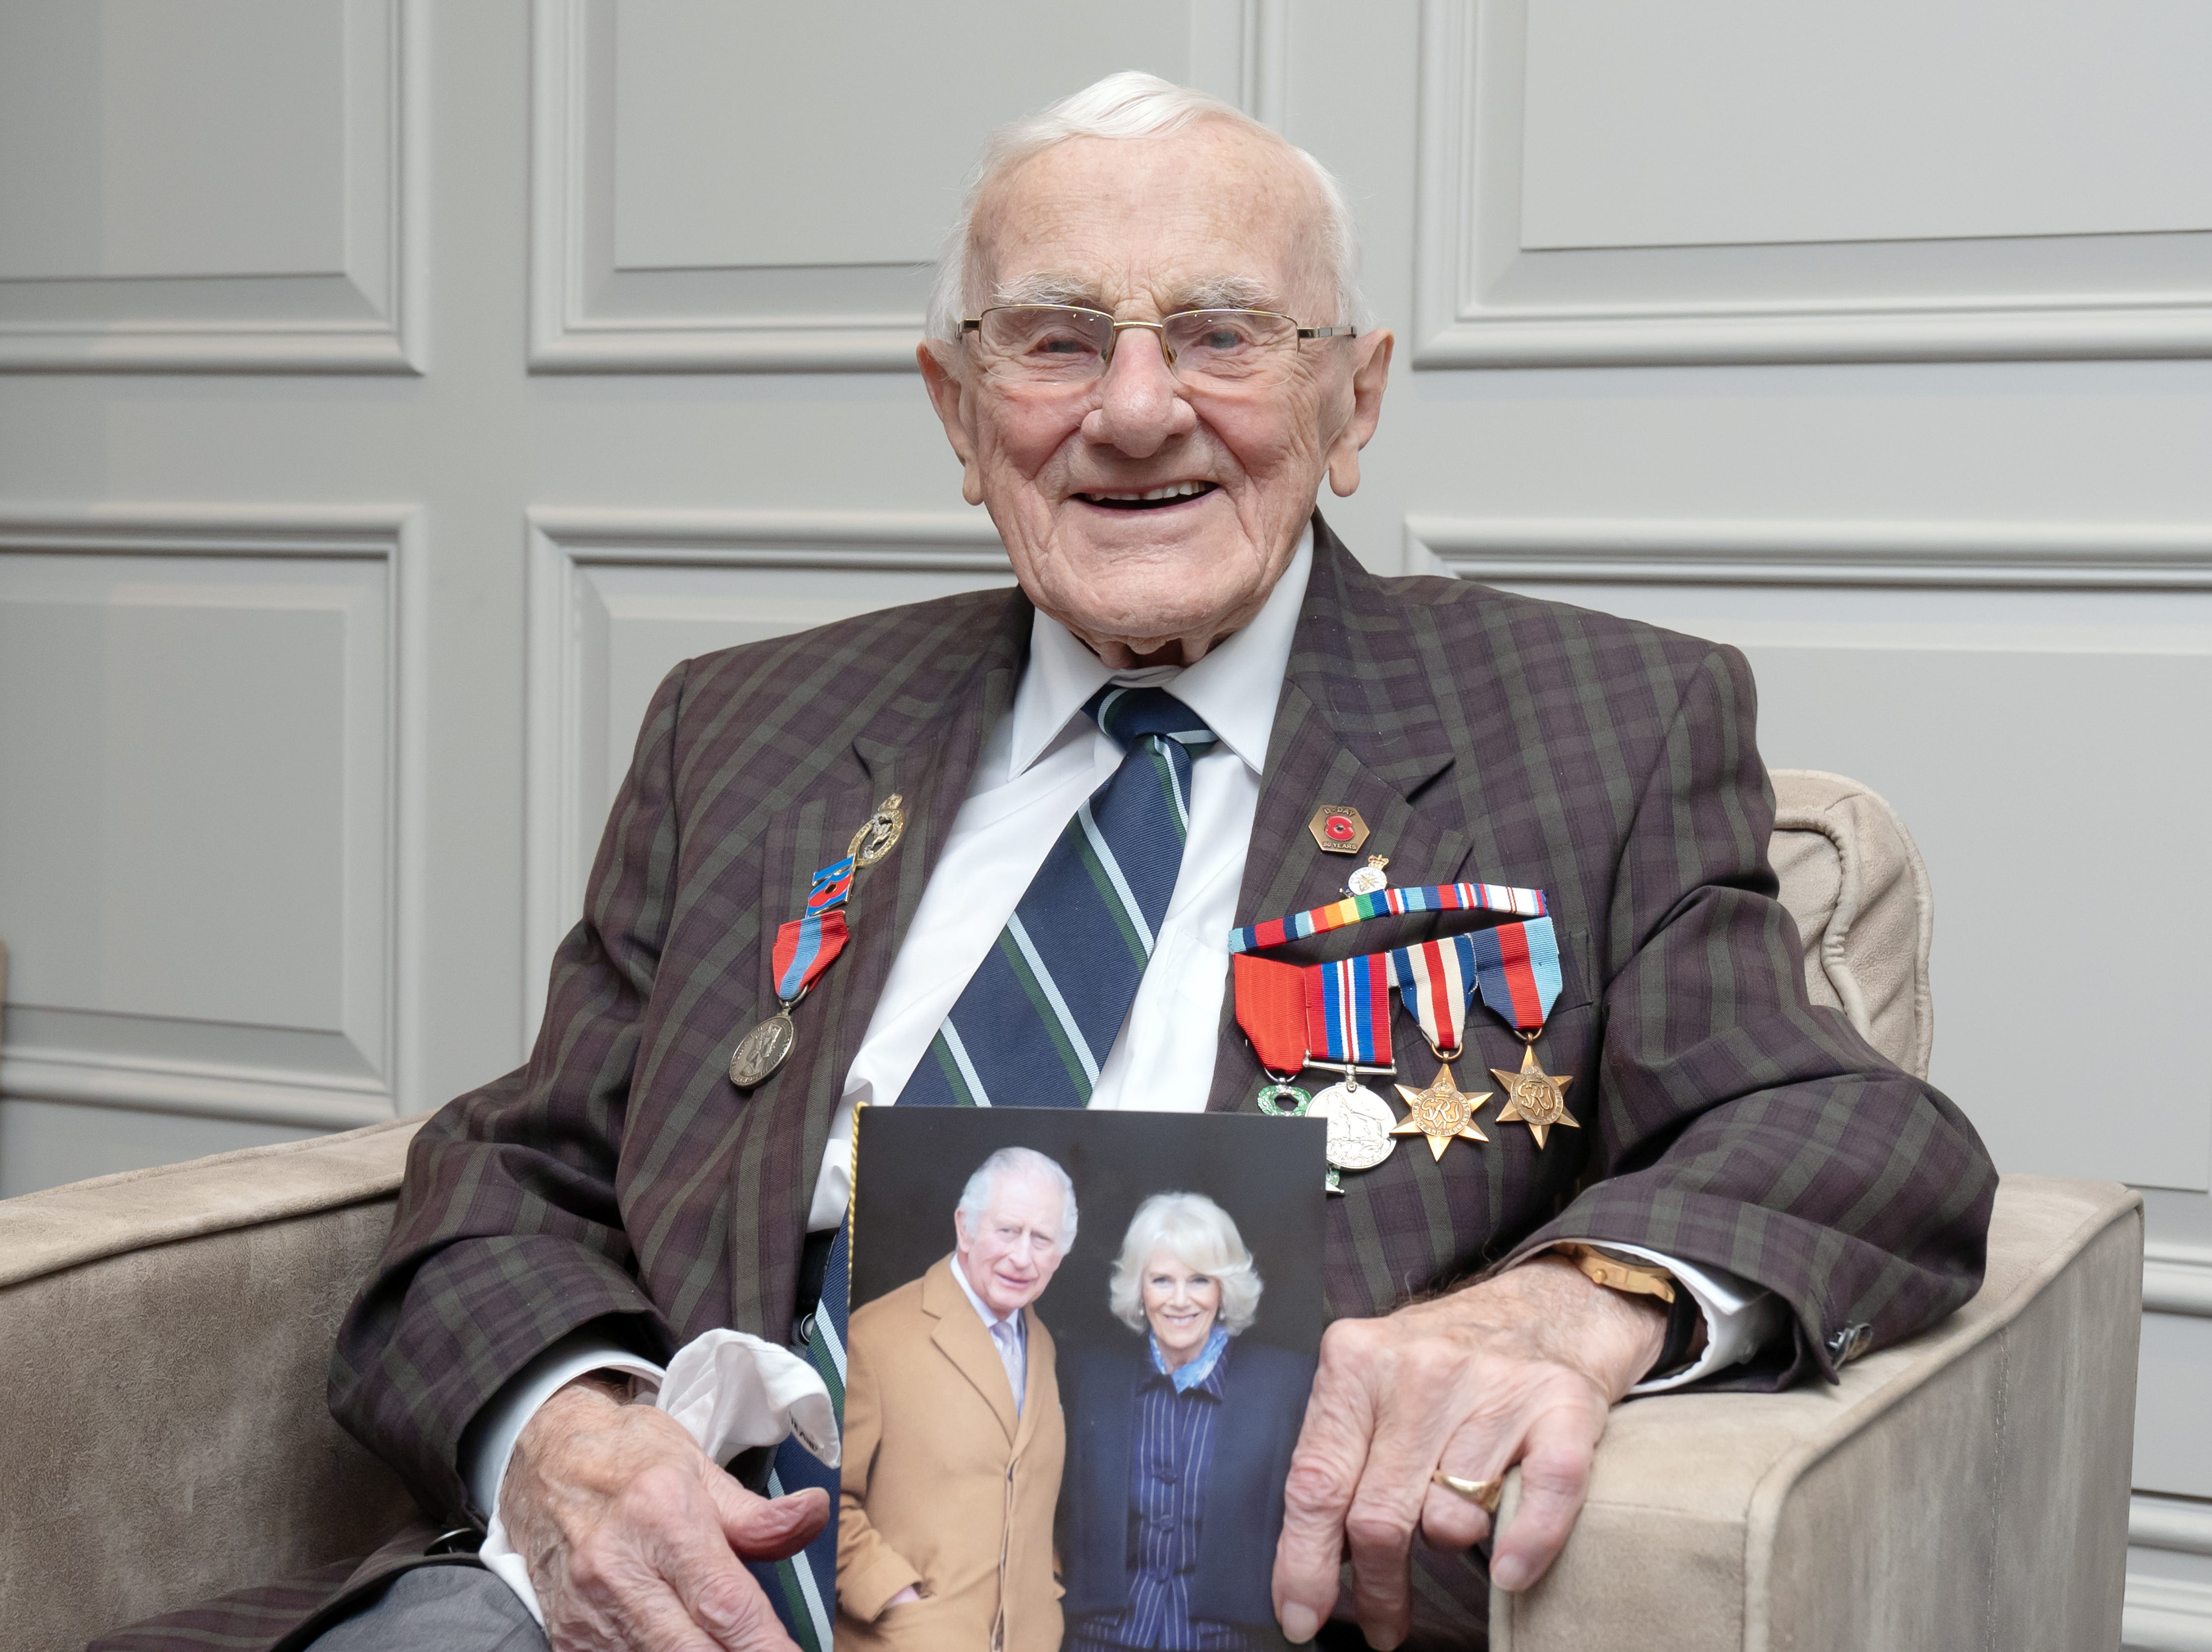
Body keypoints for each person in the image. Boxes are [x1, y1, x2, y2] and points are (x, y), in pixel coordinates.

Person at [111, 70, 1995, 1652]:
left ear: (1353, 402)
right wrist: (573, 1437)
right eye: (1058, 338)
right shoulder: (746, 727)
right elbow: (512, 1165)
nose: (1134, 407)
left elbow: (1848, 1135)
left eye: (1223, 332)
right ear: (957, 410)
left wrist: (1552, 1312)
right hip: (677, 1597)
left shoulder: (1595, 720)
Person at [837, 1147, 1076, 1652]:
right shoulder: (875, 1335)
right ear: (964, 1228)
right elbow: (826, 1495)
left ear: (1061, 1255)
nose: (1021, 1257)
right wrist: (893, 1597)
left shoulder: (1043, 1345)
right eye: (1007, 1231)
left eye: (1042, 1240)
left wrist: (1044, 1588)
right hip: (908, 1639)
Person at [1057, 1194, 1314, 1652]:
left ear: (1224, 1289)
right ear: (1140, 1288)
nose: (1180, 1300)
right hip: (1102, 1639)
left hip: (1228, 1642)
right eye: (1161, 1279)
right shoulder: (1086, 1376)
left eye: (1200, 1280)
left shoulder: (1287, 1384)